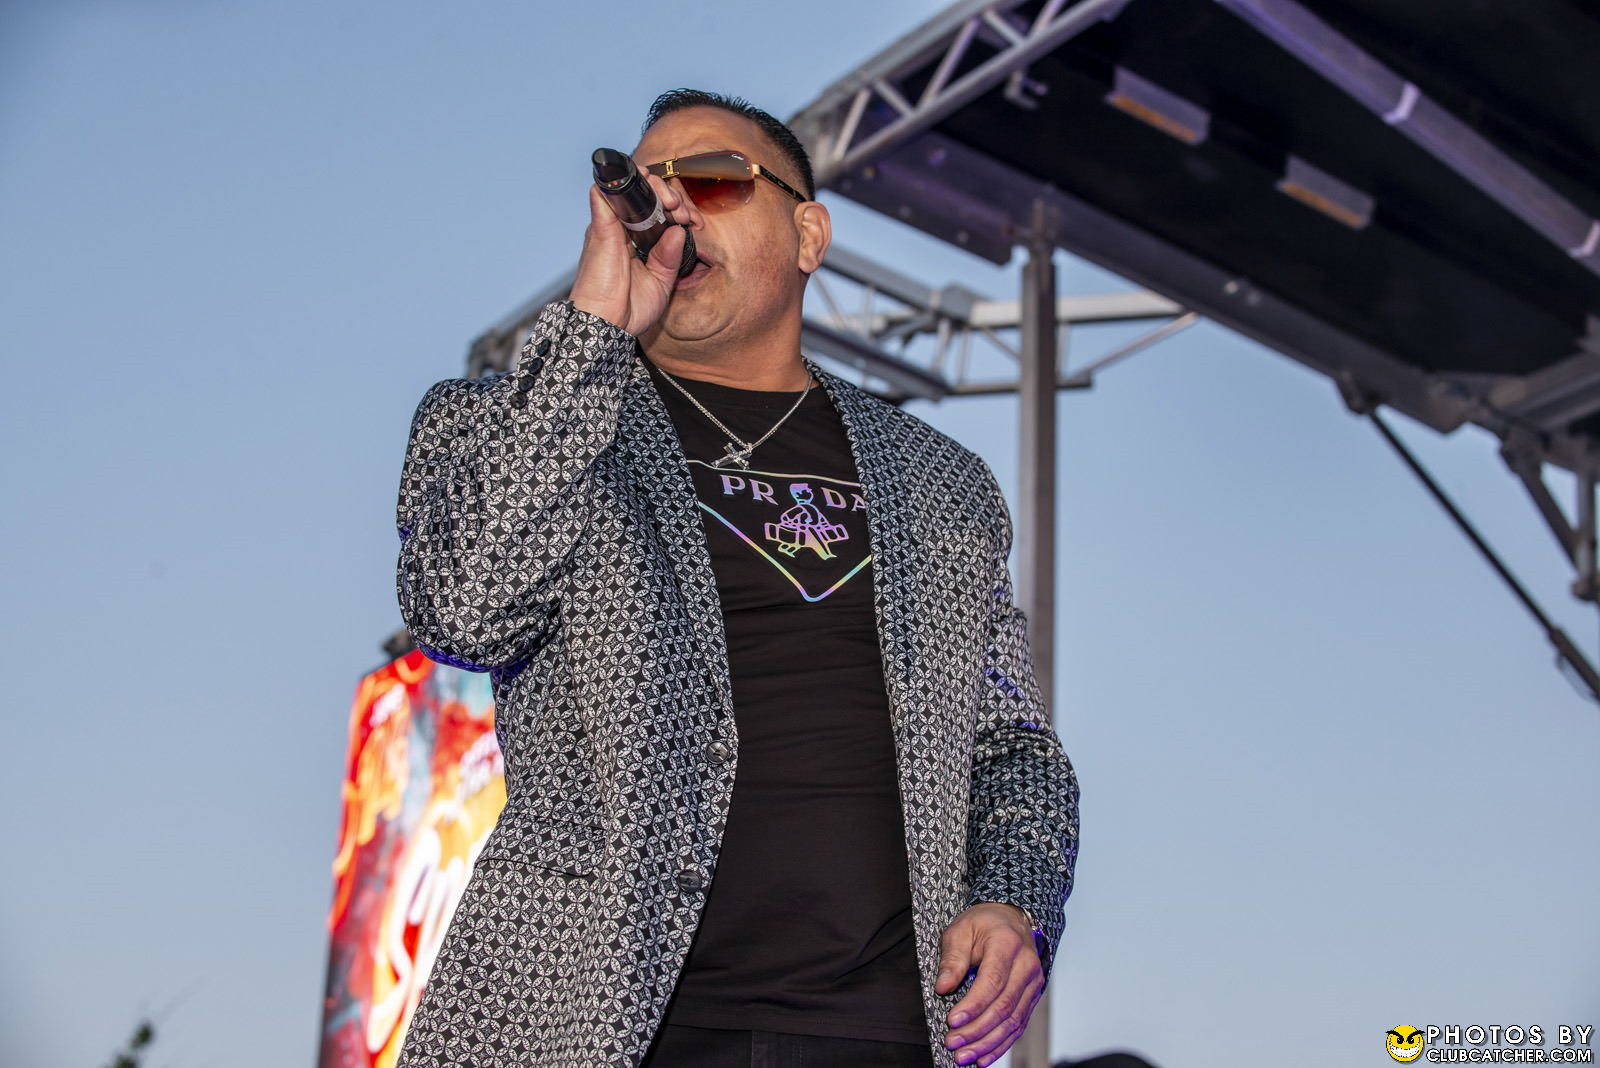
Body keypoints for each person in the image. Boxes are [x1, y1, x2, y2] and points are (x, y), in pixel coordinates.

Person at [393, 89, 1079, 1068]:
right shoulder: (516, 420)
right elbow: (463, 610)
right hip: (596, 1023)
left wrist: (1014, 899)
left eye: (713, 180)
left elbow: (1012, 747)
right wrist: (591, 336)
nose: (672, 206)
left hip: (878, 1025)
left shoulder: (940, 482)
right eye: (647, 189)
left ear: (809, 235)